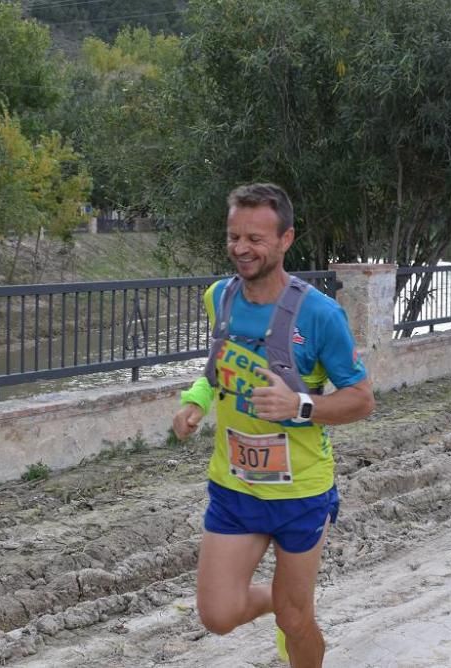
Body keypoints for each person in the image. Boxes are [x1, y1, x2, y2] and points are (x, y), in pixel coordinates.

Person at [172, 183, 375, 667]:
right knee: (218, 616)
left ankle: (291, 610)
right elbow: (217, 366)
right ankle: (283, 602)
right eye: (233, 236)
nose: (241, 249)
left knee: (297, 622)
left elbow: (362, 400)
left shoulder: (321, 315)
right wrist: (195, 401)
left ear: (286, 240)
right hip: (235, 487)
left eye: (255, 239)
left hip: (299, 493)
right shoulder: (219, 297)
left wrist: (299, 406)